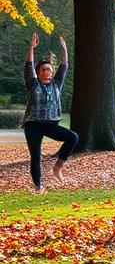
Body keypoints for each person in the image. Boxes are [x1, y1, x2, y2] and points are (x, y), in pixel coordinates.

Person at [21, 33, 78, 191]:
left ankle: (58, 167)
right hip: (33, 124)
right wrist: (31, 48)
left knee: (73, 137)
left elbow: (64, 67)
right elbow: (28, 66)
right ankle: (39, 187)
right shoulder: (32, 83)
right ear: (38, 73)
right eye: (45, 70)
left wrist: (65, 49)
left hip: (51, 124)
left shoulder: (56, 84)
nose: (48, 72)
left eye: (50, 70)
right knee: (36, 156)